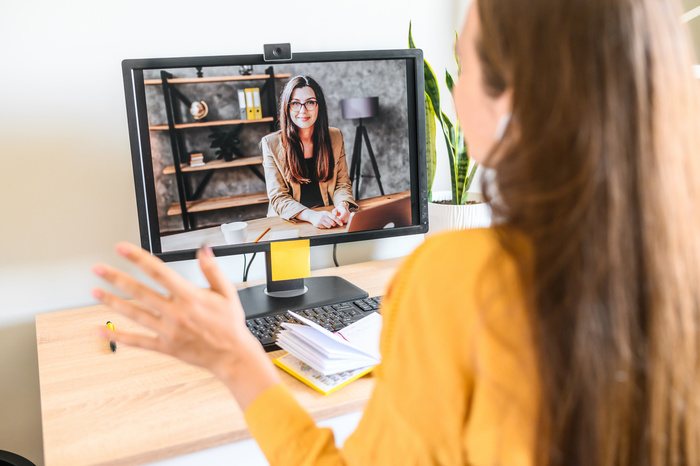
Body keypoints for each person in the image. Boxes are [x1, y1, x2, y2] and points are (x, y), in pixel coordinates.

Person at [92, 0, 700, 464]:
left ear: (514, 97)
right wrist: (311, 214)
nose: (456, 91)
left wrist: (235, 357)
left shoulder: (454, 280)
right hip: (292, 220)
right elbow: (278, 199)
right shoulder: (274, 143)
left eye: (465, 63)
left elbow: (349, 191)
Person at [261, 75, 358, 229]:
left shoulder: (335, 136)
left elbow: (342, 183)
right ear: (287, 107)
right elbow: (278, 197)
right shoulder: (270, 143)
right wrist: (311, 216)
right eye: (295, 103)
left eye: (310, 102)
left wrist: (342, 205)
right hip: (289, 223)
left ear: (319, 105)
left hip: (327, 217)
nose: (303, 110)